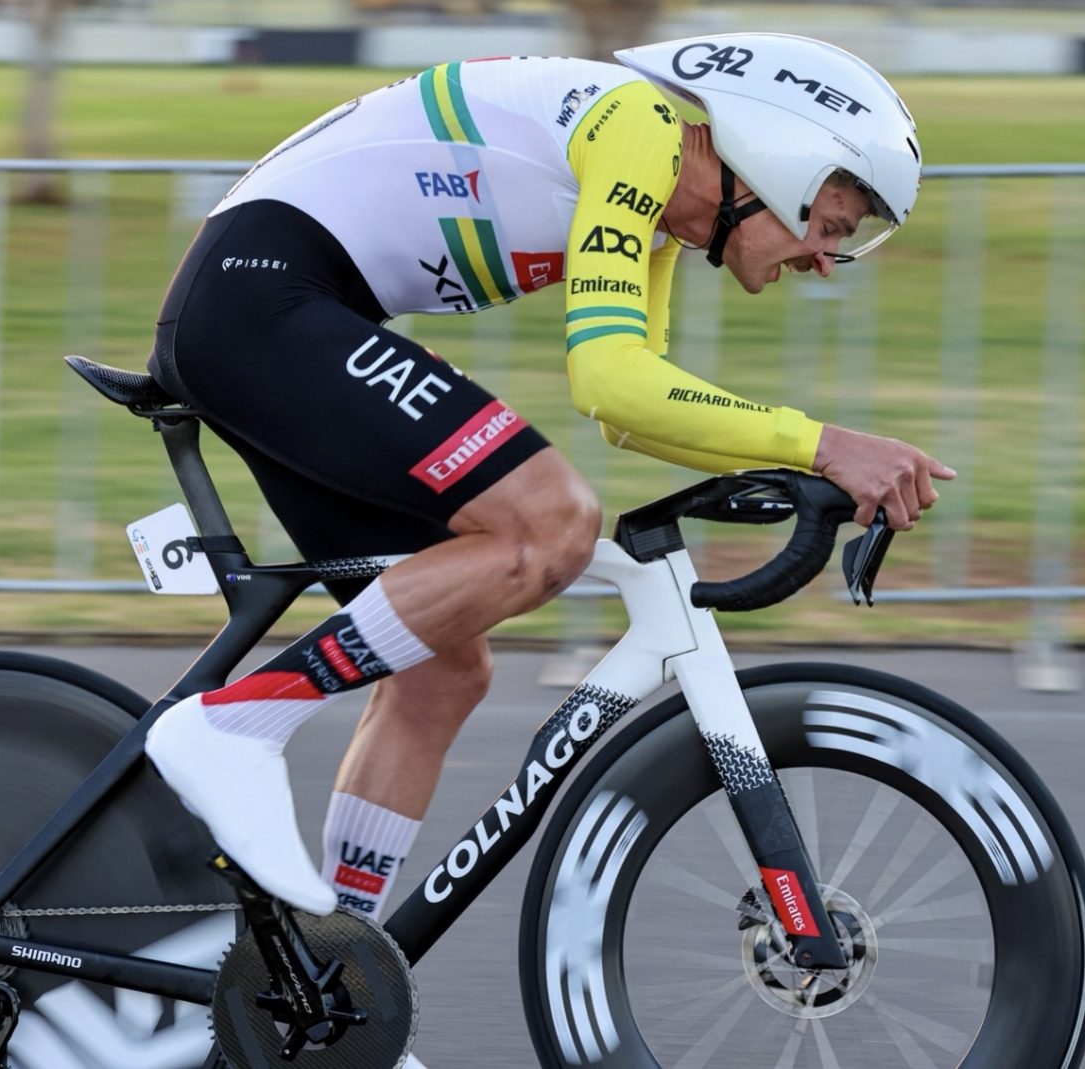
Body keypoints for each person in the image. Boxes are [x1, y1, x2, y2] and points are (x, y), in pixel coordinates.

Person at [145, 30, 949, 952]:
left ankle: (336, 981)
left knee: (444, 667)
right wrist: (826, 442)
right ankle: (240, 722)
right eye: (832, 226)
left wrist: (812, 460)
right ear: (781, 161)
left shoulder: (657, 216)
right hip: (263, 302)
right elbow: (608, 381)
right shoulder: (638, 128)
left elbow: (633, 407)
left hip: (284, 311)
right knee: (551, 521)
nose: (824, 260)